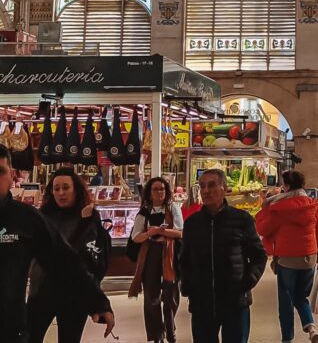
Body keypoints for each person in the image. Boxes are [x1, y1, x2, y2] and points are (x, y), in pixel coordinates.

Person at [0, 145, 115, 343]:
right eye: (57, 188)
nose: (61, 193)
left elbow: (65, 261)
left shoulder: (27, 220)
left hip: (11, 329)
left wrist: (98, 302)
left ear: (11, 176)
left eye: (0, 172)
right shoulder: (45, 215)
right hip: (39, 299)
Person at [179, 167, 268, 343]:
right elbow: (184, 259)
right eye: (202, 186)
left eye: (211, 185)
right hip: (202, 304)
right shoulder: (192, 224)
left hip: (235, 302)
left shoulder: (242, 220)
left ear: (224, 189)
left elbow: (259, 255)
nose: (206, 191)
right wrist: (188, 286)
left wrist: (247, 281)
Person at [27, 166, 112, 343]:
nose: (61, 193)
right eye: (56, 188)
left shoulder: (88, 217)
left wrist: (87, 223)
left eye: (66, 187)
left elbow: (86, 260)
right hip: (42, 292)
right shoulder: (42, 217)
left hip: (74, 295)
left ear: (76, 189)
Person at [255, 169, 318, 343]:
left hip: (287, 259)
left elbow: (263, 229)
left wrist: (265, 208)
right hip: (309, 257)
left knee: (286, 300)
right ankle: (311, 327)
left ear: (286, 186)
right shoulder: (313, 206)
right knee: (301, 296)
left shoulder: (279, 208)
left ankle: (287, 338)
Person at [129, 176, 183, 343]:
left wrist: (159, 232)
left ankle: (170, 328)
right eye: (155, 189)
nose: (159, 192)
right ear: (149, 193)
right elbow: (136, 237)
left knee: (170, 296)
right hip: (150, 254)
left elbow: (180, 232)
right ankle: (157, 335)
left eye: (162, 189)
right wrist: (149, 234)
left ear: (167, 192)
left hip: (170, 254)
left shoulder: (173, 208)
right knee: (151, 297)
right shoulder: (144, 212)